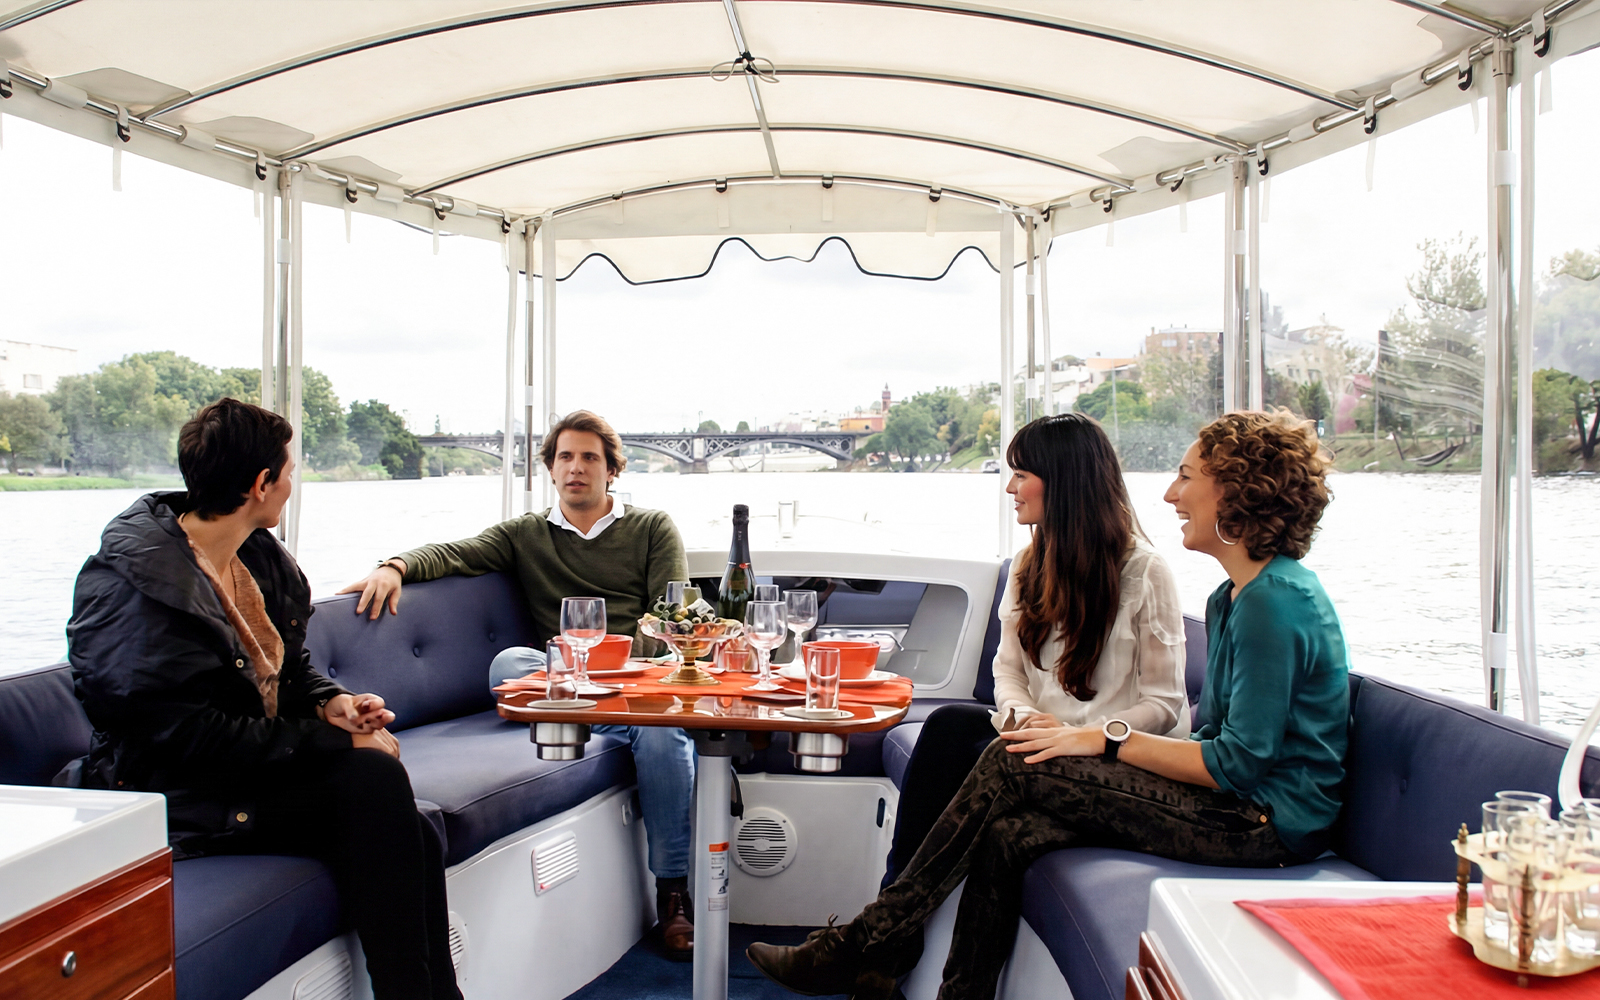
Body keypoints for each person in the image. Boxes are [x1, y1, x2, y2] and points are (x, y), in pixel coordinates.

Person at [748, 410, 1350, 1000]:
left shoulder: (1275, 602)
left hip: (1265, 825)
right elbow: (1214, 738)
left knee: (1009, 762)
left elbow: (1236, 765)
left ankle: (865, 942)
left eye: (1187, 477)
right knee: (1010, 832)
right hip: (1230, 803)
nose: (1170, 494)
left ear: (1239, 492)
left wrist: (1103, 740)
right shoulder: (1234, 597)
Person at [68, 399, 460, 1000]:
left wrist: (333, 703)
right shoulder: (137, 589)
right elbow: (182, 740)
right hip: (169, 795)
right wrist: (335, 739)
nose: (291, 484)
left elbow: (288, 667)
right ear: (260, 484)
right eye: (289, 472)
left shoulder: (250, 556)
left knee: (417, 831)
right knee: (373, 783)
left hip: (245, 773)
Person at [338, 409, 696, 956]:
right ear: (551, 469)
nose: (576, 468)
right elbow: (454, 553)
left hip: (633, 678)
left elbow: (674, 614)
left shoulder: (651, 528)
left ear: (612, 470)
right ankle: (604, 715)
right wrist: (394, 566)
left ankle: (674, 894)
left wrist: (617, 659)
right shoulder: (525, 534)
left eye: (590, 458)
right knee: (508, 664)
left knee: (666, 733)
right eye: (565, 457)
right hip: (561, 676)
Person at [885, 413, 1187, 884]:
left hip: (1113, 755)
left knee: (979, 755)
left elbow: (1165, 705)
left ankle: (886, 927)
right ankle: (894, 903)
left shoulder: (1145, 571)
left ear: (1064, 482)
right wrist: (1027, 721)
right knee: (948, 725)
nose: (1010, 488)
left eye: (1022, 475)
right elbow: (1007, 673)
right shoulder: (1029, 564)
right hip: (1043, 743)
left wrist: (1084, 736)